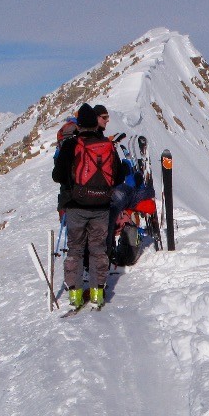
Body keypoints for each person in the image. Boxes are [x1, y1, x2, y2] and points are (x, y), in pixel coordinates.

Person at [52, 103, 126, 309]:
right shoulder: (108, 146)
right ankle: (97, 293)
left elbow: (57, 176)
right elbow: (119, 176)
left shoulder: (71, 145)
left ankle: (75, 295)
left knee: (75, 250)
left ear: (79, 125)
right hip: (101, 206)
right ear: (95, 123)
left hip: (76, 206)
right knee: (98, 250)